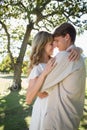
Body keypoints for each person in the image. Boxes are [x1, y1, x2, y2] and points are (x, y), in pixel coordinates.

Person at [26, 30, 82, 130]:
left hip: (58, 110)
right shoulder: (37, 68)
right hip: (43, 110)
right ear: (42, 45)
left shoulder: (55, 60)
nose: (55, 46)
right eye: (51, 44)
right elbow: (29, 99)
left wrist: (78, 49)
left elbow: (67, 58)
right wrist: (44, 74)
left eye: (55, 43)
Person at [39, 23, 86, 130]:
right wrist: (78, 49)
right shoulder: (80, 58)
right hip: (71, 121)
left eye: (57, 40)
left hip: (58, 121)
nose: (55, 45)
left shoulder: (65, 56)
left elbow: (41, 88)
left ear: (67, 37)